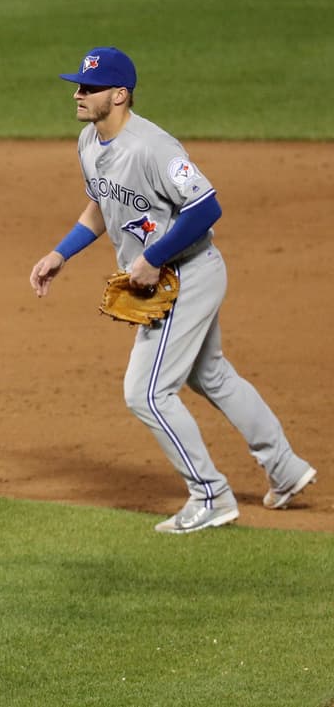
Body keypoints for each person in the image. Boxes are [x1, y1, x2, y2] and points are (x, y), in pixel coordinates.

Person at [29, 47, 317, 534]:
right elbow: (99, 206)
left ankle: (211, 496)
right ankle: (285, 470)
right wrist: (61, 253)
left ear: (119, 95)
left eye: (89, 88)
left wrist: (151, 258)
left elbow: (206, 207)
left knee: (146, 392)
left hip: (186, 274)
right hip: (171, 274)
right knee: (212, 376)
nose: (78, 95)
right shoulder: (87, 141)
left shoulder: (153, 146)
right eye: (78, 86)